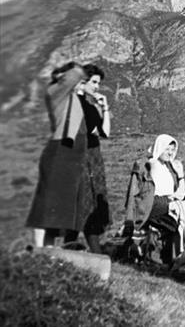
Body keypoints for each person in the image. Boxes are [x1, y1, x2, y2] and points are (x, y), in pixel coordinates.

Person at [26, 63, 89, 248]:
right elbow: (76, 73)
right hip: (59, 152)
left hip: (71, 157)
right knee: (47, 202)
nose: (80, 84)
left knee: (60, 206)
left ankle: (49, 249)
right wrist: (66, 70)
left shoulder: (74, 99)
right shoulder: (56, 93)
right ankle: (39, 248)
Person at [73, 64, 112, 253]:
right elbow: (97, 131)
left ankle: (88, 251)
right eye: (94, 82)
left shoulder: (88, 106)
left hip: (92, 158)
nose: (97, 87)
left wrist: (105, 108)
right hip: (85, 159)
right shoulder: (79, 105)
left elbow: (105, 133)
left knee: (88, 205)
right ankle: (94, 253)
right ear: (83, 82)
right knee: (86, 204)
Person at [146, 134, 185, 263]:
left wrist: (180, 175)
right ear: (160, 148)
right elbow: (172, 193)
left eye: (172, 150)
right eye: (167, 149)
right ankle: (180, 255)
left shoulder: (167, 166)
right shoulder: (154, 165)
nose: (170, 153)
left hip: (166, 203)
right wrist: (180, 177)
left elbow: (179, 192)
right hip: (157, 205)